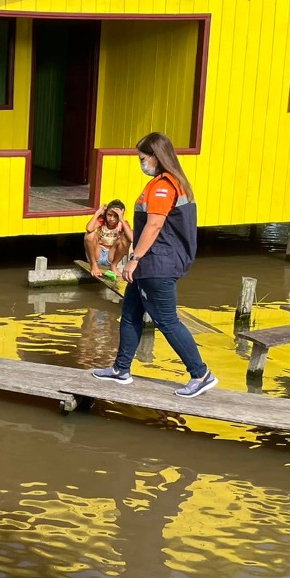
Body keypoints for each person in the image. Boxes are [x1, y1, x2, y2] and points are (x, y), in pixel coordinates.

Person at [91, 132, 216, 398]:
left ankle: (201, 373)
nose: (141, 163)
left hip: (158, 263)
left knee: (167, 321)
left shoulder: (163, 186)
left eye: (142, 158)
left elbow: (155, 224)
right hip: (155, 262)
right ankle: (121, 369)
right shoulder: (173, 182)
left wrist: (134, 259)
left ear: (156, 157)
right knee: (131, 314)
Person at [84, 199, 131, 278]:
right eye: (109, 215)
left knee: (125, 239)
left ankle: (114, 266)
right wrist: (97, 213)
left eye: (115, 216)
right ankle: (94, 265)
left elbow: (131, 238)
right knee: (89, 235)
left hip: (111, 255)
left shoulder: (122, 224)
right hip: (98, 253)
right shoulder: (102, 221)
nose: (112, 219)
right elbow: (89, 228)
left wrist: (122, 219)